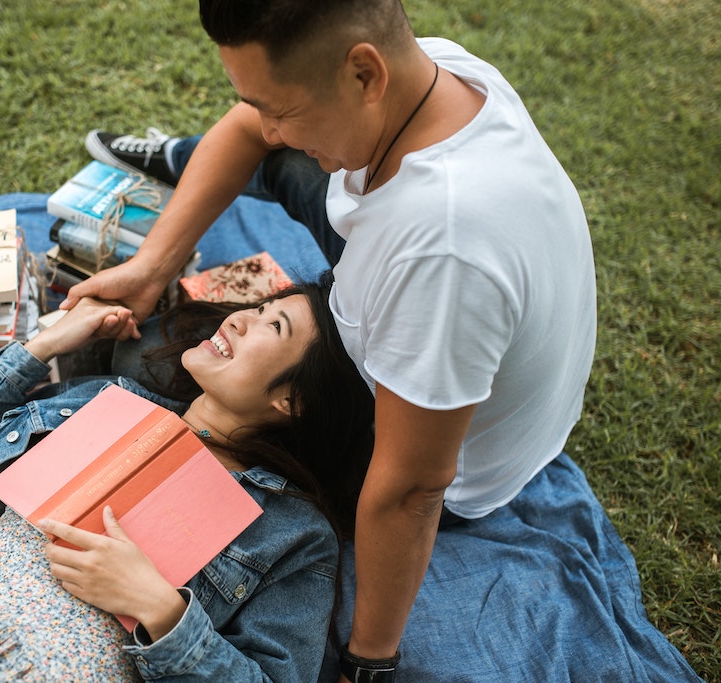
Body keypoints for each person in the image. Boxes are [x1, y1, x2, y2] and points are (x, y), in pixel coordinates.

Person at [62, 1, 597, 680]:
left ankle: (184, 185)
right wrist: (153, 265)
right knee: (284, 165)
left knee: (150, 357)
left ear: (364, 73)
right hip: (435, 309)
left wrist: (368, 661)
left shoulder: (441, 256)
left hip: (451, 460)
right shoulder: (433, 76)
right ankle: (176, 157)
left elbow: (412, 487)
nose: (268, 124)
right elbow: (251, 131)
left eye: (279, 107)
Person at [0, 278, 374, 682]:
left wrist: (159, 607)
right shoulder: (110, 403)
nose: (240, 318)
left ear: (293, 400)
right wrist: (44, 345)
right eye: (258, 306)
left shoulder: (293, 530)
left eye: (274, 326)